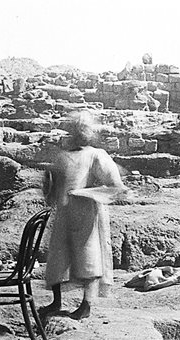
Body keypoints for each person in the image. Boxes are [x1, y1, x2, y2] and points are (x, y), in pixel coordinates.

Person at [41, 111, 125, 320]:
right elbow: (51, 185)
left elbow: (115, 184)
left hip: (86, 214)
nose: (80, 134)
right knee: (58, 258)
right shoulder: (63, 156)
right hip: (64, 212)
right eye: (77, 130)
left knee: (88, 258)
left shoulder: (96, 155)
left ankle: (86, 304)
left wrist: (89, 193)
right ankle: (56, 302)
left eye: (83, 130)